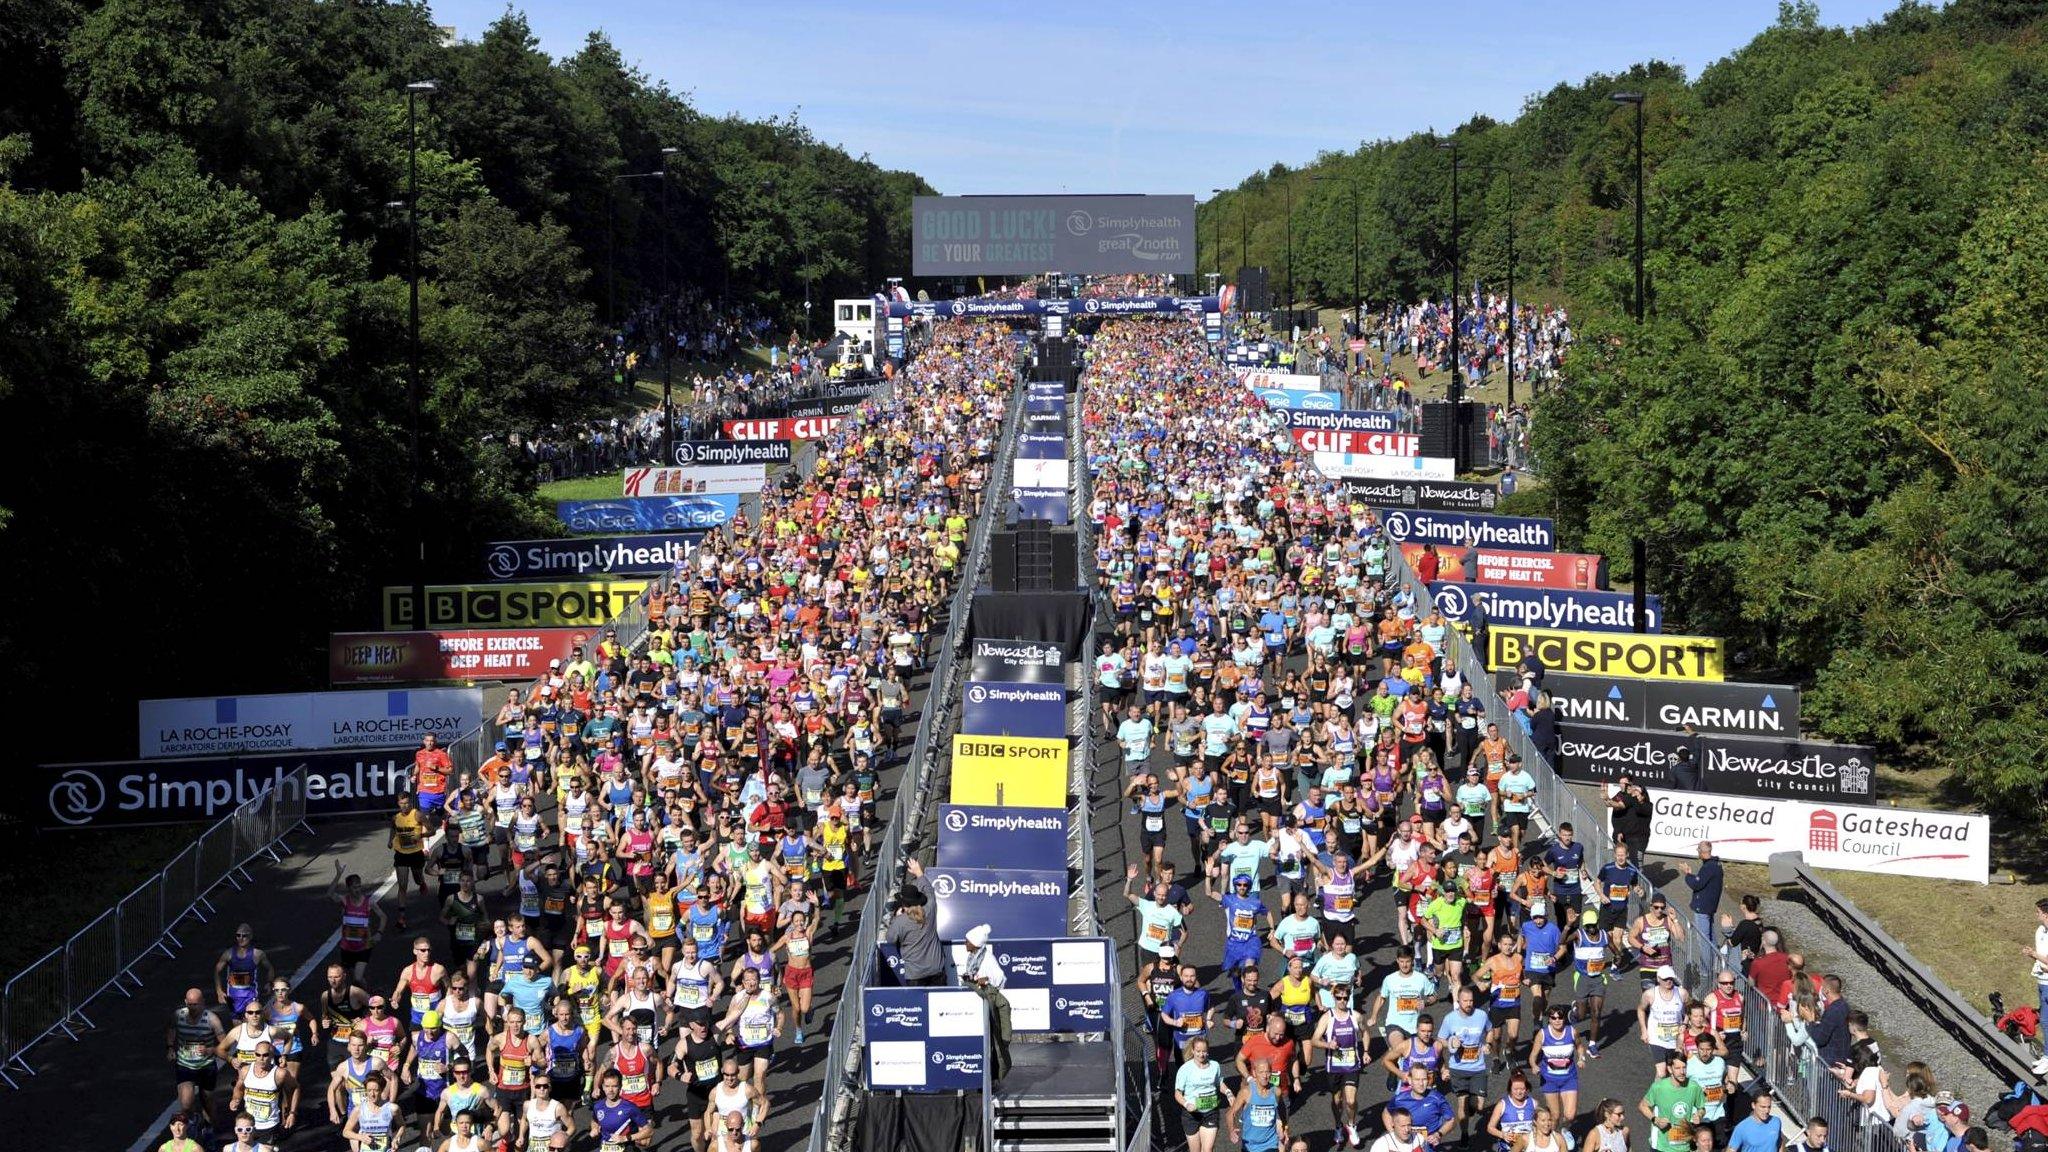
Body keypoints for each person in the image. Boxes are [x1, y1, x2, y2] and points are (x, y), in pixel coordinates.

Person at [960, 923, 1013, 1081]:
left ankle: (992, 1077)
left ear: (975, 943)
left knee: (992, 1042)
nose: (965, 943)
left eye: (967, 941)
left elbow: (999, 977)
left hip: (987, 1002)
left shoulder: (987, 958)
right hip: (977, 1004)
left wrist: (985, 980)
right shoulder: (973, 958)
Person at [168, 986, 225, 1130]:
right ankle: (193, 1121)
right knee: (186, 1104)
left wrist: (210, 1049)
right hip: (185, 1066)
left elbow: (225, 1045)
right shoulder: (178, 1015)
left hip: (206, 1067)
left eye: (196, 1005)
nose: (192, 1008)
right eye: (190, 1004)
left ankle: (209, 1130)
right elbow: (171, 1028)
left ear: (203, 1003)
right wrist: (170, 1047)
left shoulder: (212, 1020)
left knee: (208, 1101)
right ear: (185, 1002)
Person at [885, 860, 944, 986]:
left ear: (904, 905)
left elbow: (890, 939)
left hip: (915, 974)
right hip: (936, 969)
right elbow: (929, 891)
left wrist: (896, 918)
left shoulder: (900, 921)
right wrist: (919, 874)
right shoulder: (930, 908)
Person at [228, 1042, 297, 1145]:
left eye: (265, 1055)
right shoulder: (245, 1071)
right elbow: (239, 1088)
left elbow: (295, 1088)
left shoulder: (280, 1074)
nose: (261, 1058)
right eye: (258, 1055)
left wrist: (292, 1113)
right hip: (248, 1125)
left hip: (269, 1126)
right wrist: (235, 1099)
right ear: (254, 1055)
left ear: (272, 1056)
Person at [1175, 1036, 1232, 1152]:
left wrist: (1228, 1093)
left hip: (1210, 1112)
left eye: (1204, 1051)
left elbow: (1219, 1083)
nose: (1201, 1054)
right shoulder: (1185, 1069)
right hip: (1191, 1115)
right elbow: (1177, 1093)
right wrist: (1187, 1104)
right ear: (1193, 1051)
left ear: (1208, 1051)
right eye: (1198, 1051)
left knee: (1208, 1149)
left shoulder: (1215, 1066)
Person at [1641, 1053, 1708, 1152]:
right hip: (1662, 1146)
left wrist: (1699, 1115)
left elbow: (1701, 1108)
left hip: (1684, 1145)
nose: (1682, 1072)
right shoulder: (1659, 1087)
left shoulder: (1693, 1087)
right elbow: (1643, 1106)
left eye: (1684, 1067)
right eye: (1677, 1068)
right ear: (1669, 1069)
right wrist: (1656, 1120)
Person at [215, 925, 274, 1019]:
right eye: (238, 935)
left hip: (251, 995)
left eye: (244, 936)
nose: (241, 938)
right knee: (236, 1025)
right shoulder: (228, 953)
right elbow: (217, 971)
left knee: (250, 1023)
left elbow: (270, 968)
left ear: (251, 936)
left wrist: (269, 983)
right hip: (232, 997)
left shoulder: (258, 954)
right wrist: (219, 991)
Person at [1232, 1055, 1289, 1152]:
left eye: (1267, 1072)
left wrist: (1284, 1129)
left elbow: (1279, 1112)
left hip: (1270, 1144)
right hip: (1249, 1145)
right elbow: (1230, 1113)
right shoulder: (1246, 1092)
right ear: (1254, 1073)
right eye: (1261, 1072)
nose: (1264, 1075)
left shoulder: (1276, 1091)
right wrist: (1231, 1129)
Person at [589, 1068, 655, 1149]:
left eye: (614, 1086)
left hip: (626, 1148)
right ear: (603, 1087)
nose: (610, 1090)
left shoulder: (630, 1108)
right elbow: (594, 1120)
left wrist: (626, 1138)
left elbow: (649, 1131)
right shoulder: (598, 1106)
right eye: (607, 1086)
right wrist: (594, 1128)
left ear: (620, 1086)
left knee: (645, 1143)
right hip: (605, 1148)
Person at [341, 1071, 407, 1151]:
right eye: (369, 1090)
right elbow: (346, 1132)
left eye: (376, 1090)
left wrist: (396, 1138)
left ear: (382, 1089)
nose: (372, 1094)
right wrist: (361, 1137)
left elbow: (402, 1125)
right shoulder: (359, 1109)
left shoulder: (392, 1109)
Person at [1680, 841, 1724, 955]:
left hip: (1703, 908)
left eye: (1698, 849)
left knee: (1703, 941)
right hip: (1709, 907)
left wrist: (1687, 874)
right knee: (1711, 937)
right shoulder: (1716, 865)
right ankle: (1715, 964)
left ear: (1701, 851)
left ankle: (1706, 971)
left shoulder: (1708, 867)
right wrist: (1691, 875)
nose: (1697, 852)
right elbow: (1703, 881)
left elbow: (1696, 884)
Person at [2027, 897, 2048, 1075]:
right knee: (2044, 1020)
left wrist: (2033, 955)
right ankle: (2047, 1056)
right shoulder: (2040, 931)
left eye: (2039, 912)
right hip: (2042, 980)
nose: (2037, 915)